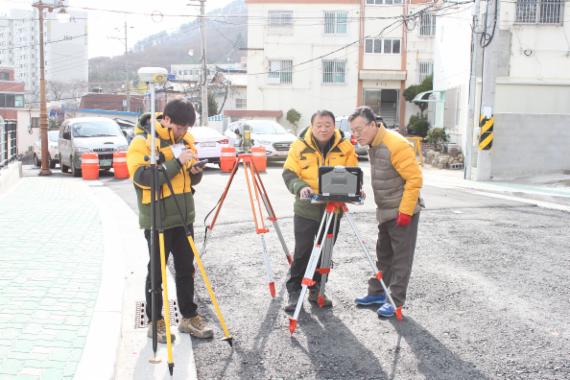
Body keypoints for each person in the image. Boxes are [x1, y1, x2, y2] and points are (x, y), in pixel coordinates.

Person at [127, 98, 213, 342]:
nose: (183, 132)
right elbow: (143, 178)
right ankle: (156, 322)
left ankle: (189, 317)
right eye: (179, 127)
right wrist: (177, 162)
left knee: (187, 269)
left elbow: (188, 179)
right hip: (158, 218)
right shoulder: (143, 142)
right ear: (166, 120)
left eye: (187, 128)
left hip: (184, 215)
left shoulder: (187, 141)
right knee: (157, 272)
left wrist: (195, 171)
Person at [349, 106, 423, 318]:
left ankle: (395, 301)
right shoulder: (374, 143)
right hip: (386, 211)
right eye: (353, 130)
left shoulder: (395, 144)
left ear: (373, 125)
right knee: (384, 255)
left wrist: (406, 211)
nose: (356, 134)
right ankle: (378, 292)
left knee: (401, 259)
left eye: (359, 129)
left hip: (402, 211)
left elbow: (415, 179)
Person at [282, 110, 358, 312]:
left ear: (334, 126)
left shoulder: (345, 147)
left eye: (327, 124)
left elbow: (353, 174)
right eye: (319, 125)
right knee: (303, 252)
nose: (323, 128)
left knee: (325, 253)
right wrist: (300, 187)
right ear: (312, 125)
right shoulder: (299, 146)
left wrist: (355, 190)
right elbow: (289, 173)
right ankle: (294, 291)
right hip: (306, 209)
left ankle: (318, 289)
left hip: (333, 209)